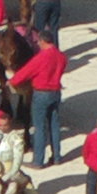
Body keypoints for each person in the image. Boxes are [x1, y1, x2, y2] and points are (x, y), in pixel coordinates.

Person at [12, 29, 68, 168]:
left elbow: (27, 71)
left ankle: (38, 160)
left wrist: (12, 81)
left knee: (39, 127)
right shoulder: (61, 56)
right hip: (55, 92)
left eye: (38, 42)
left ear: (43, 41)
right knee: (54, 125)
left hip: (42, 93)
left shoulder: (42, 57)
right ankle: (56, 157)